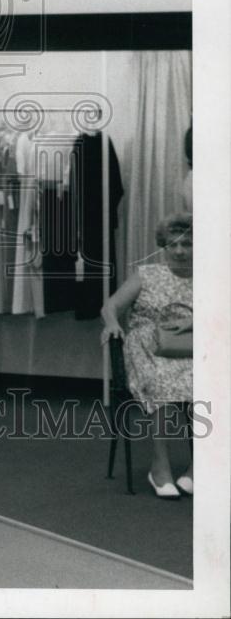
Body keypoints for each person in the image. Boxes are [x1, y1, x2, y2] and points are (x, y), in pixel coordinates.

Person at [100, 212, 193, 498]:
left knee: (214, 383)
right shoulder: (147, 274)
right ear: (163, 246)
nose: (179, 251)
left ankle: (199, 466)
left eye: (187, 244)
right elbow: (111, 306)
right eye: (172, 244)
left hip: (191, 346)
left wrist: (195, 322)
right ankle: (159, 463)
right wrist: (113, 324)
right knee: (161, 381)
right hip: (147, 346)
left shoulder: (212, 276)